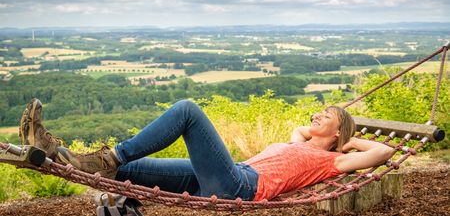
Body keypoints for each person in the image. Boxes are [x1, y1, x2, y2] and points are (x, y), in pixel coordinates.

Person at [19, 98, 395, 201]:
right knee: (130, 171)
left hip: (239, 186)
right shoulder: (300, 140)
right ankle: (58, 155)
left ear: (340, 131)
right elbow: (299, 128)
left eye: (326, 115)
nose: (316, 115)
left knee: (187, 111)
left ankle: (108, 156)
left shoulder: (336, 159)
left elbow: (383, 153)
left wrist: (349, 139)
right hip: (228, 173)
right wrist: (323, 128)